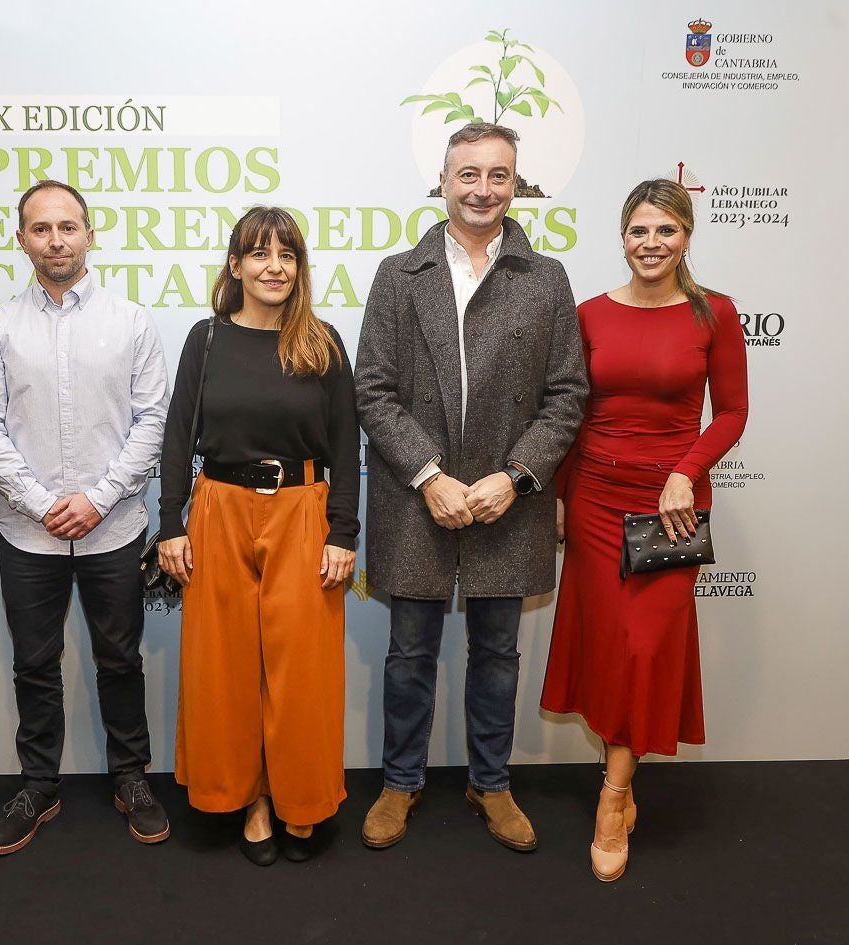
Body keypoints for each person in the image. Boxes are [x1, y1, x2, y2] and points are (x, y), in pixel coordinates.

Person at [355, 123, 588, 851]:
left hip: (505, 504)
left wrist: (514, 478)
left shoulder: (544, 277)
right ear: (443, 181)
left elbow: (566, 395)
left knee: (497, 654)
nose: (482, 189)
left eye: (497, 175)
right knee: (407, 653)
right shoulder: (400, 274)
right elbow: (372, 391)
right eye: (467, 174)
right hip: (415, 499)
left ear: (515, 183)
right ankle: (400, 782)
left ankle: (491, 783)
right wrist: (427, 475)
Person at [540, 178, 748, 882]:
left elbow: (730, 413)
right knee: (608, 649)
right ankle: (619, 773)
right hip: (596, 496)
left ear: (685, 235)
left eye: (664, 230)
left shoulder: (713, 313)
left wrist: (685, 470)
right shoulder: (589, 314)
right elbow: (571, 411)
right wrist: (561, 497)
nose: (650, 243)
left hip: (671, 506)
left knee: (642, 644)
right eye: (638, 230)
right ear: (621, 236)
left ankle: (613, 792)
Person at [0, 180, 171, 855]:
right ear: (19, 238)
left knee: (119, 658)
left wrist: (98, 496)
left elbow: (151, 422)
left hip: (114, 528)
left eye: (68, 226)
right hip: (27, 532)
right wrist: (39, 500)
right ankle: (38, 785)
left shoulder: (132, 322)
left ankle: (131, 776)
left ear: (89, 233)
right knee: (33, 662)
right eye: (41, 228)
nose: (56, 239)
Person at [158, 206, 359, 866]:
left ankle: (299, 799)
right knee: (224, 668)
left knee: (302, 671)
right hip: (217, 507)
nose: (275, 265)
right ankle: (248, 799)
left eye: (287, 254)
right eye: (260, 253)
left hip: (304, 510)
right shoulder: (205, 339)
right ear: (235, 265)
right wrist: (168, 524)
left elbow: (343, 445)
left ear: (299, 267)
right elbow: (176, 436)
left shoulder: (321, 340)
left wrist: (342, 533)